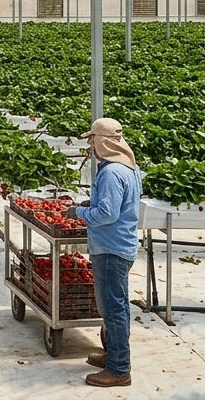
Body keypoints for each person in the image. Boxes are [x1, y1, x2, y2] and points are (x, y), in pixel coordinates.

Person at [65, 117, 142, 388]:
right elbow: (122, 205)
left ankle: (119, 369)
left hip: (110, 248)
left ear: (102, 142)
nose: (91, 146)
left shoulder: (110, 173)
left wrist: (80, 212)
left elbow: (107, 215)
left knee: (113, 309)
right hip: (122, 244)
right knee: (115, 305)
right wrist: (93, 202)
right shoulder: (129, 167)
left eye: (93, 140)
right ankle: (113, 356)